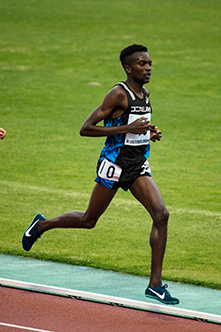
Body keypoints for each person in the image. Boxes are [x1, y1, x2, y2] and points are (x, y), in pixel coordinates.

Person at [22, 44, 179, 305]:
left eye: (150, 63)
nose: (148, 68)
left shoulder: (146, 93)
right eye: (142, 64)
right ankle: (42, 225)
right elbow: (86, 129)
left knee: (161, 215)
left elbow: (134, 126)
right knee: (88, 220)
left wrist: (149, 132)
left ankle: (155, 285)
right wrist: (128, 127)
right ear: (128, 68)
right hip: (114, 163)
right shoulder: (117, 94)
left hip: (137, 164)